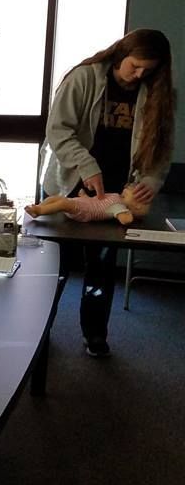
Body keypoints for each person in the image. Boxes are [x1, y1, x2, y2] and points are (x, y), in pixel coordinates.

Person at [39, 28, 175, 357]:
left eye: (149, 69)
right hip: (68, 186)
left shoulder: (158, 92)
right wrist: (88, 167)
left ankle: (95, 335)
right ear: (120, 55)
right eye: (135, 66)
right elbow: (58, 130)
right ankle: (40, 332)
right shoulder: (83, 79)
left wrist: (150, 182)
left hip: (117, 194)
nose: (140, 74)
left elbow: (161, 150)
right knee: (55, 266)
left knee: (101, 267)